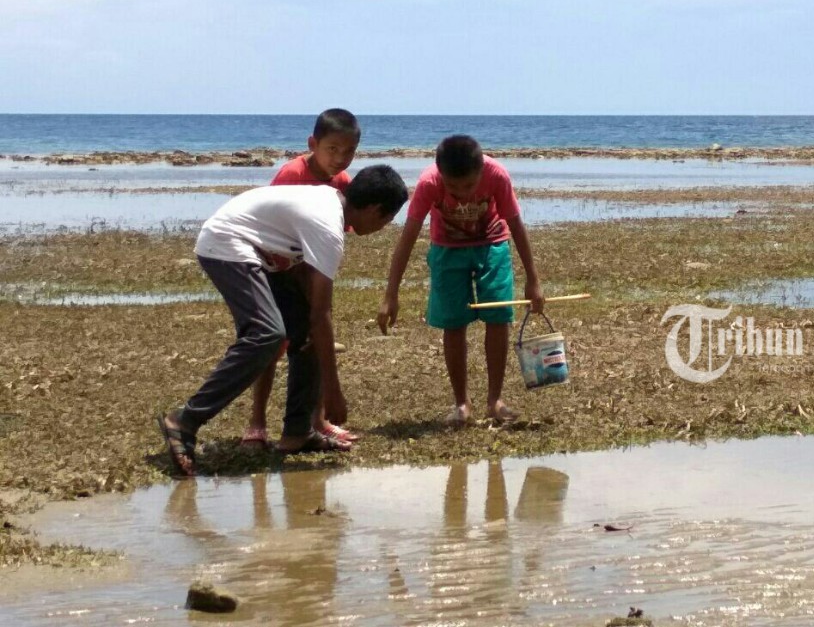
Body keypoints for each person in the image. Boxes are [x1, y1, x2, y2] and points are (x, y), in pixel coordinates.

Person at [157, 165, 409, 477]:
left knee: (305, 330)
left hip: (260, 251)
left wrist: (308, 326)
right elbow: (322, 314)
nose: (384, 226)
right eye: (388, 219)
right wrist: (332, 391)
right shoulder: (328, 226)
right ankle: (184, 420)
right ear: (375, 210)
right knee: (267, 334)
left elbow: (307, 294)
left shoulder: (331, 206)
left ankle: (298, 432)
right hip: (226, 242)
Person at [376, 135, 543, 425]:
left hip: (491, 242)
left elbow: (515, 223)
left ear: (481, 171)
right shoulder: (429, 183)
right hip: (447, 249)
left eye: (469, 185)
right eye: (453, 186)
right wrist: (391, 293)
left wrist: (533, 278)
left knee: (498, 314)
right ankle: (462, 403)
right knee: (453, 322)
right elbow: (408, 237)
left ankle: (495, 400)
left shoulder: (496, 176)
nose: (462, 193)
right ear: (440, 173)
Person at [242, 108, 361, 448]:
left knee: (317, 338)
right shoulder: (290, 174)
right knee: (272, 344)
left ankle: (317, 419)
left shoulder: (343, 184)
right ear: (313, 143)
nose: (340, 158)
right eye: (332, 149)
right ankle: (257, 421)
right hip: (274, 270)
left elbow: (334, 236)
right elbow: (271, 228)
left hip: (312, 275)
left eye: (349, 152)